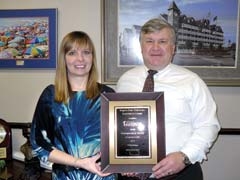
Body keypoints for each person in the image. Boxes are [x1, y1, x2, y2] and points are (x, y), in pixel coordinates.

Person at [116, 18, 221, 180]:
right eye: (149, 41)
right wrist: (121, 158)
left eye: (163, 41)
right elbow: (118, 126)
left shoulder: (192, 82)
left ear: (173, 48)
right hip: (131, 176)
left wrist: (184, 156)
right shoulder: (125, 81)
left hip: (180, 175)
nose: (155, 47)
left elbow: (209, 126)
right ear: (141, 47)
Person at [30, 31, 116, 180]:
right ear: (64, 59)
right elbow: (39, 143)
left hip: (103, 176)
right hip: (65, 176)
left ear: (92, 58)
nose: (80, 58)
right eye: (72, 53)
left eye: (86, 52)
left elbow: (121, 139)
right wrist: (79, 162)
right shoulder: (50, 96)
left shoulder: (108, 95)